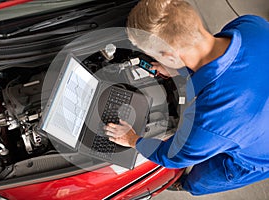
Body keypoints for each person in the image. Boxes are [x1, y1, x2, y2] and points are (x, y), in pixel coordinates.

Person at [104, 0, 269, 195]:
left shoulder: (210, 120)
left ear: (170, 56)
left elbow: (172, 156)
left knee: (207, 177)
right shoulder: (252, 26)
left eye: (154, 55)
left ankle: (185, 185)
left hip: (260, 156)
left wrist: (133, 139)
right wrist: (179, 68)